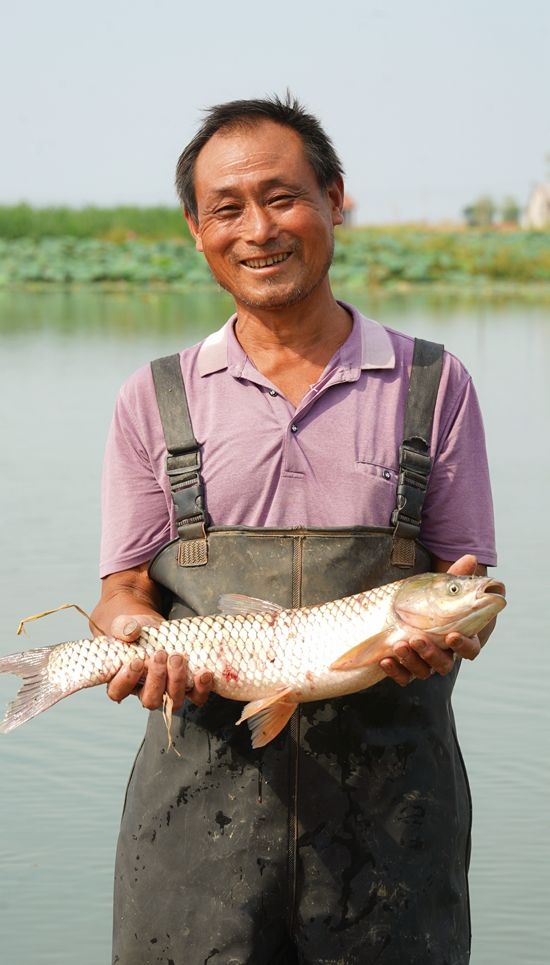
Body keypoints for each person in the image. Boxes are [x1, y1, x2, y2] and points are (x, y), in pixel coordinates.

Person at [92, 94, 498, 965]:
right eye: (226, 209)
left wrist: (456, 630)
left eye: (282, 197)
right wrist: (132, 636)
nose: (258, 230)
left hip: (395, 829)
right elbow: (122, 591)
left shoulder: (434, 384)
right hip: (193, 824)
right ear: (196, 231)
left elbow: (468, 588)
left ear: (335, 199)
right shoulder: (154, 398)